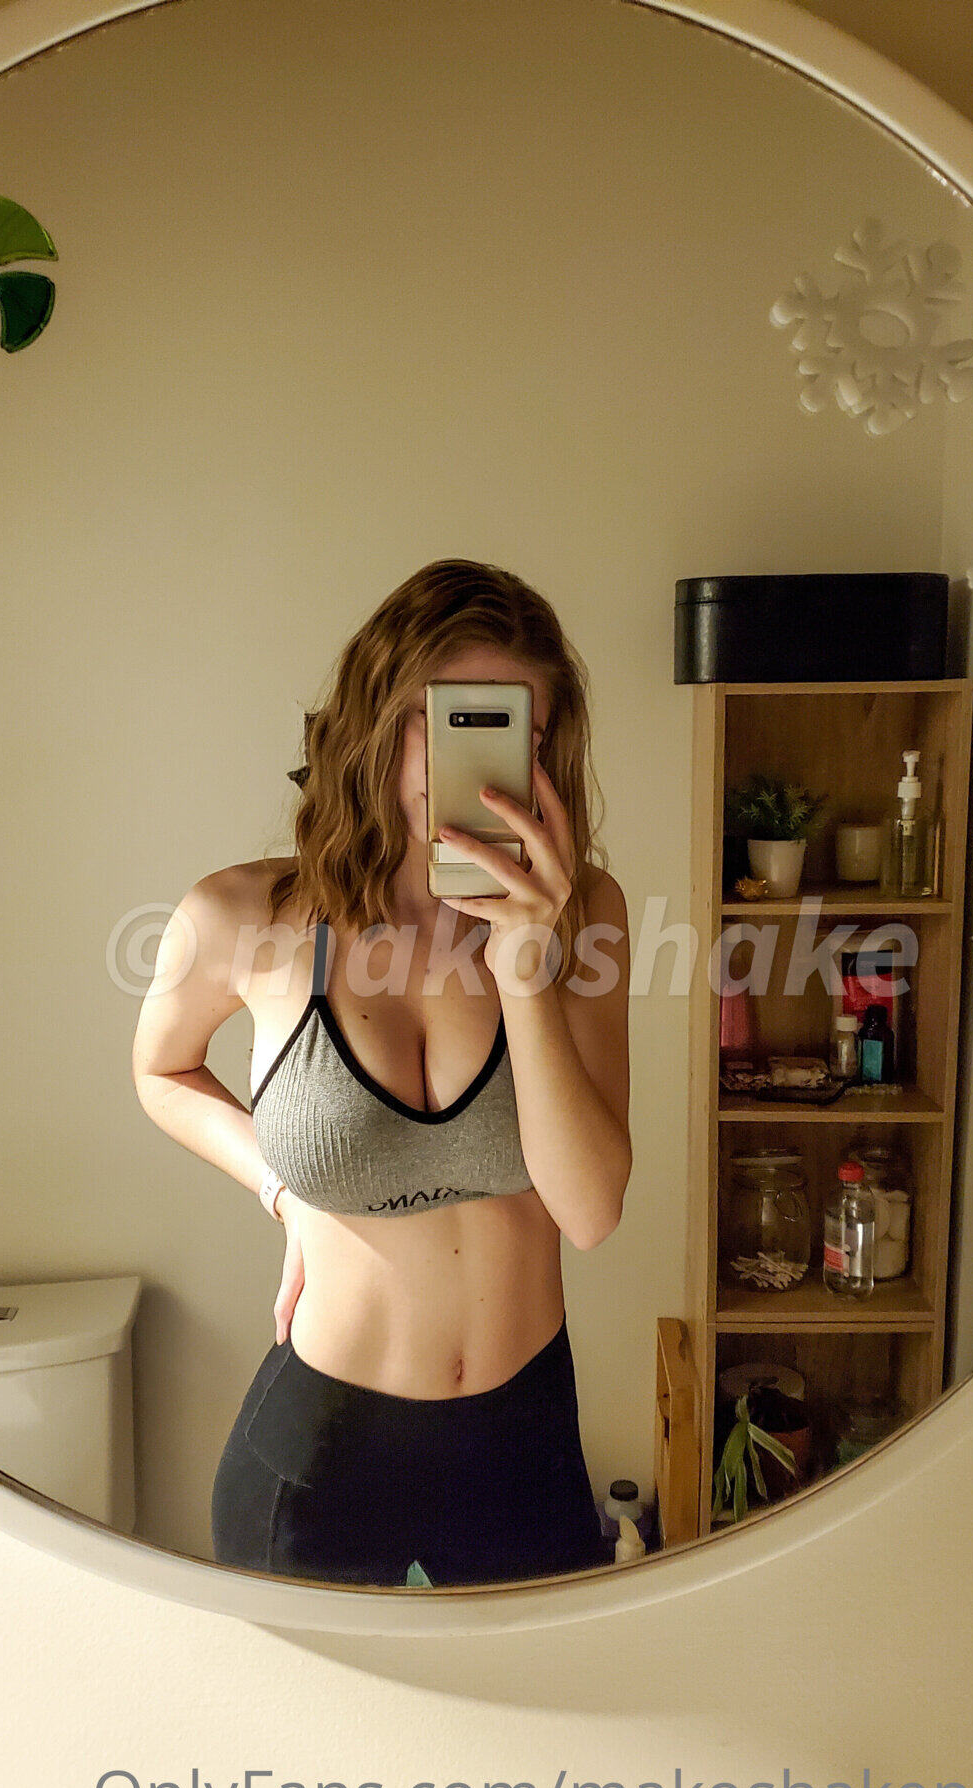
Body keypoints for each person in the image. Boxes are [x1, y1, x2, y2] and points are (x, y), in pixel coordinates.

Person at [132, 559, 631, 1588]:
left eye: (514, 732)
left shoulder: (586, 915)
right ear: (376, 719)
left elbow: (588, 1211)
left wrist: (525, 968)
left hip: (522, 1452)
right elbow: (163, 1072)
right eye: (443, 722)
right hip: (318, 1458)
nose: (477, 769)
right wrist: (281, 1190)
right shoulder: (243, 916)